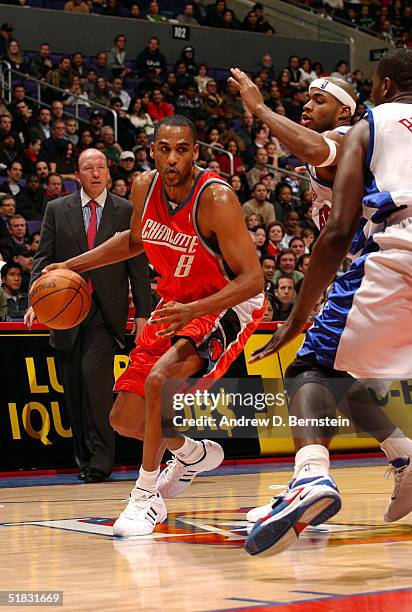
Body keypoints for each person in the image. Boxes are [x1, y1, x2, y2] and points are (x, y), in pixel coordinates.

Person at [42, 115, 264, 536]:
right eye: (165, 149)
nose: (173, 158)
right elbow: (132, 241)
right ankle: (193, 453)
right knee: (124, 420)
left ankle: (145, 498)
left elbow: (253, 278)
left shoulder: (215, 198)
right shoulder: (145, 187)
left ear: (196, 152)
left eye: (182, 149)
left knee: (160, 381)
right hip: (176, 303)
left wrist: (197, 311)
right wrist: (69, 266)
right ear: (153, 151)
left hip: (226, 302)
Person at [240, 49, 412, 555]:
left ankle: (310, 477)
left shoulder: (357, 132)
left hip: (392, 260)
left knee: (309, 369)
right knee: (347, 380)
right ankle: (403, 458)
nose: (305, 106)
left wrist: (260, 110)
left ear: (368, 96)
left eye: (318, 99)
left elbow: (324, 174)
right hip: (379, 273)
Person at [25, 149, 151, 484]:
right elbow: (43, 259)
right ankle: (84, 457)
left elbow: (137, 266)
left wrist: (142, 312)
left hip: (103, 313)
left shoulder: (126, 210)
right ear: (77, 175)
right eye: (87, 169)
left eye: (100, 168)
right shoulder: (57, 209)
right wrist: (36, 300)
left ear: (108, 173)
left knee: (95, 384)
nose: (95, 174)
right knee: (74, 388)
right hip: (64, 309)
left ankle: (100, 461)